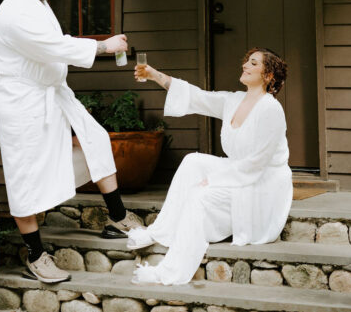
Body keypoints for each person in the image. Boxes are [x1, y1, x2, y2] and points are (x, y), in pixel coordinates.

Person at [0, 0, 142, 284]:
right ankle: (35, 255)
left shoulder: (36, 4)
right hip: (23, 104)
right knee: (25, 178)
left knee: (96, 140)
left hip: (52, 93)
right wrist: (104, 46)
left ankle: (117, 216)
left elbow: (56, 44)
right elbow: (55, 47)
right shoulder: (12, 12)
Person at [126, 49, 293, 285]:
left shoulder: (271, 109)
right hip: (240, 171)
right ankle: (160, 232)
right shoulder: (234, 100)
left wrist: (215, 179)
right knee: (193, 161)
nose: (245, 65)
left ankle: (169, 272)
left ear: (268, 76)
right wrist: (154, 75)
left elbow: (257, 164)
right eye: (246, 60)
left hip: (262, 185)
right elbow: (196, 96)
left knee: (200, 197)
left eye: (253, 63)